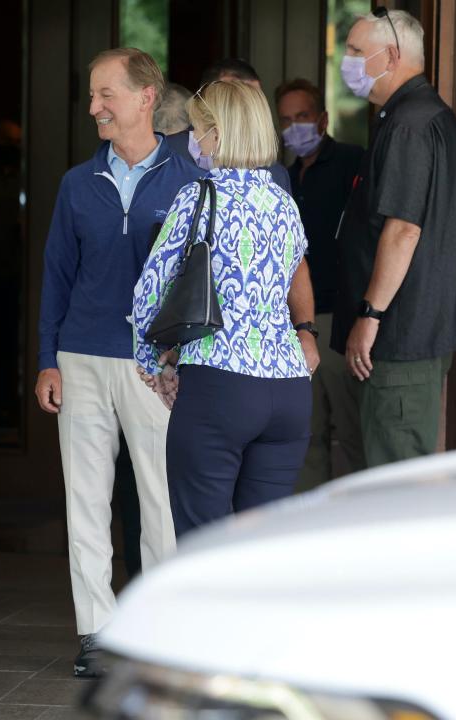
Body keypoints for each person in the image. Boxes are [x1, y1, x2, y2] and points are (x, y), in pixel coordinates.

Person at [36, 48, 199, 678]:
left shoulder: (190, 176)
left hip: (155, 365)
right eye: (92, 94)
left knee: (160, 501)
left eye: (106, 94)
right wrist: (48, 359)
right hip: (81, 357)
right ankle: (97, 633)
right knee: (86, 502)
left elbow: (199, 279)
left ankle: (159, 632)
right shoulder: (78, 183)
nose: (95, 106)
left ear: (146, 97)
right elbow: (56, 277)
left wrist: (183, 356)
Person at [133, 79, 314, 539]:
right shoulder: (285, 204)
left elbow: (149, 293)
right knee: (260, 551)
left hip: (220, 383)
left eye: (196, 129)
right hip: (289, 390)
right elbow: (289, 278)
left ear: (217, 133)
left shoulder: (199, 196)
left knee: (204, 546)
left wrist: (155, 366)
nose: (192, 140)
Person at [333, 9, 456, 466]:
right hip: (409, 335)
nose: (347, 60)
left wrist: (370, 314)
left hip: (397, 338)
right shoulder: (423, 115)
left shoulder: (409, 124)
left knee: (394, 481)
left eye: (356, 51)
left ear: (390, 55)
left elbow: (403, 230)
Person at [275, 78, 366, 489]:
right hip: (296, 327)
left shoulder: (353, 164)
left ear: (323, 119)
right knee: (306, 437)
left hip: (342, 321)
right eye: (286, 120)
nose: (295, 127)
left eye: (303, 116)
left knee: (352, 434)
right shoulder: (283, 180)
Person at [167, 58, 292, 193]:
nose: (250, 111)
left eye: (255, 100)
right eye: (232, 98)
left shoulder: (276, 174)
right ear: (206, 98)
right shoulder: (167, 155)